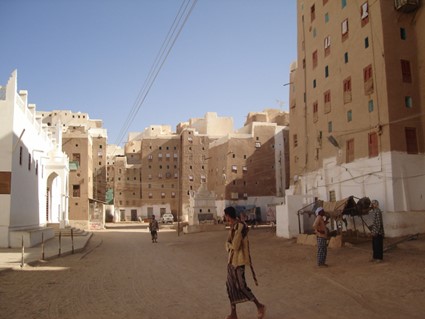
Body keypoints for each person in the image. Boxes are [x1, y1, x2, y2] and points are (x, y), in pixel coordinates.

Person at [224, 206, 266, 319]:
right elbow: (227, 244)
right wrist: (229, 246)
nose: (225, 218)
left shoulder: (241, 226)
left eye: (226, 216)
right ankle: (233, 314)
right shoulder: (232, 227)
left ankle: (259, 306)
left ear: (228, 216)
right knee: (230, 286)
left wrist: (229, 246)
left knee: (242, 287)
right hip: (231, 261)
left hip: (239, 262)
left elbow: (235, 245)